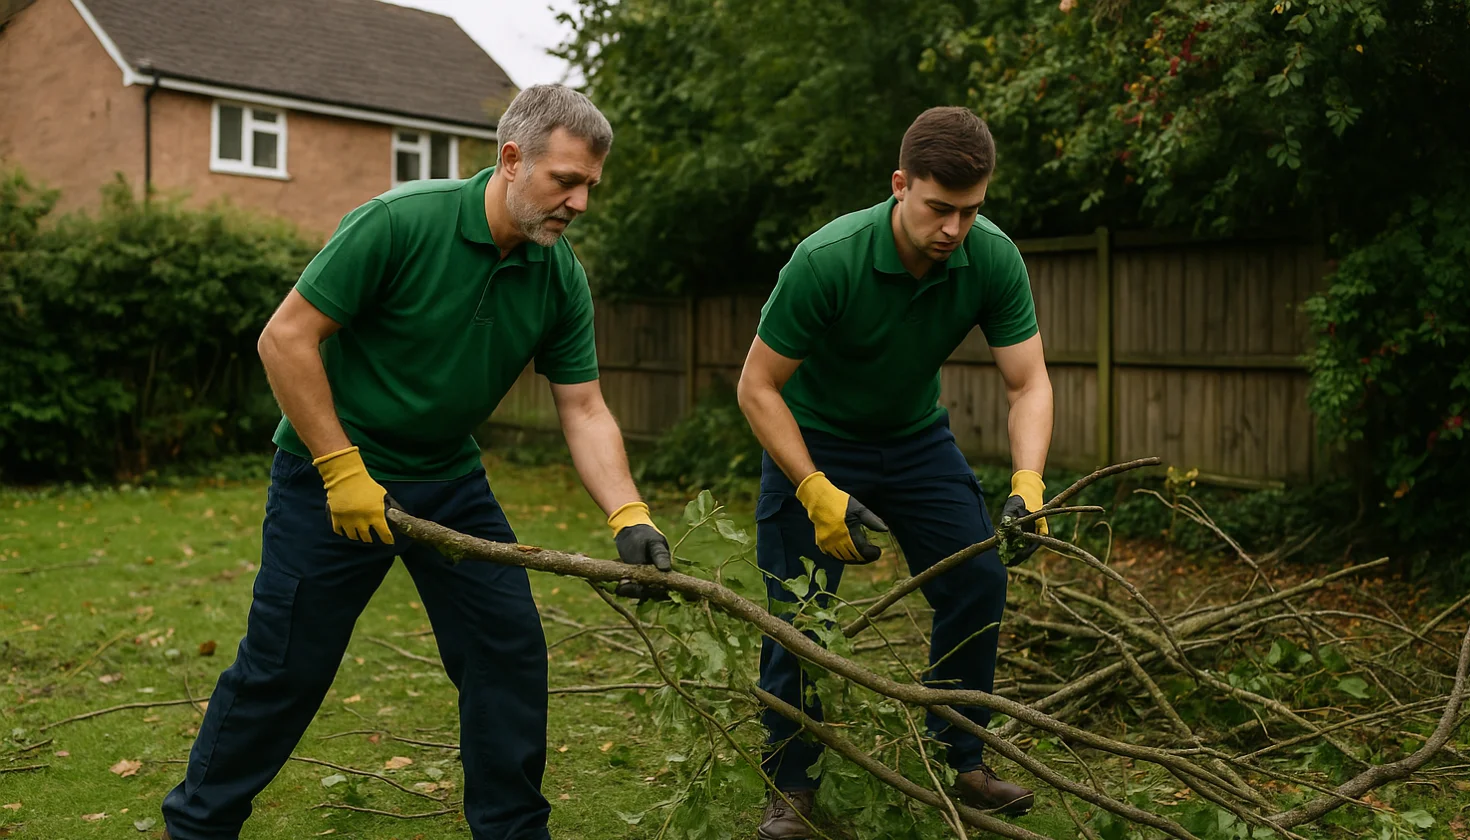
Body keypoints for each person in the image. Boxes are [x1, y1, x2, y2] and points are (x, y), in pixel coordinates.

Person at [160, 84, 671, 840]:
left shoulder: (557, 274)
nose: (581, 203)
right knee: (285, 670)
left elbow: (584, 408)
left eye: (591, 185)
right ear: (511, 160)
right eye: (566, 180)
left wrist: (629, 515)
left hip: (449, 481)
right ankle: (197, 828)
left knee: (508, 653)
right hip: (326, 480)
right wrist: (340, 468)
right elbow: (286, 338)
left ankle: (511, 832)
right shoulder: (400, 222)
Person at [736, 105, 1055, 839]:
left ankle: (961, 760)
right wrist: (813, 489)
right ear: (900, 184)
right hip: (813, 441)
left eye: (970, 212)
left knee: (978, 580)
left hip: (916, 440)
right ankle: (791, 787)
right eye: (939, 208)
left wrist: (1028, 481)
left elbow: (1028, 383)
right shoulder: (828, 259)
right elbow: (757, 386)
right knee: (799, 609)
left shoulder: (992, 257)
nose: (953, 229)